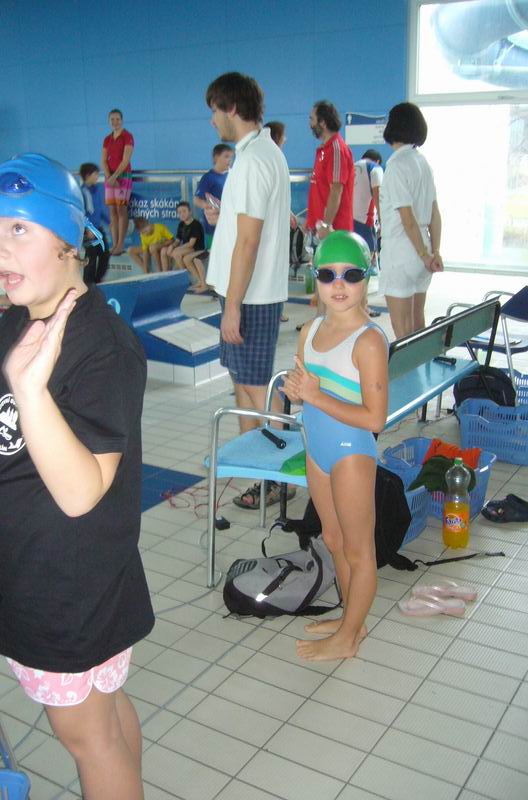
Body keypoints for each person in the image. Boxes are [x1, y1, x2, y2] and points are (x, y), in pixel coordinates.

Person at [0, 153, 154, 799]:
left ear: (69, 240)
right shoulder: (16, 319)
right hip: (46, 574)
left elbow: (81, 490)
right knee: (104, 721)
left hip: (65, 586)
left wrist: (30, 391)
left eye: (18, 228)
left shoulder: (103, 345)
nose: (0, 246)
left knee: (88, 738)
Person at [283, 231, 388, 661]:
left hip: (350, 452)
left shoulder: (369, 340)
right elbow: (304, 393)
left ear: (368, 276)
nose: (339, 284)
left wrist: (314, 395)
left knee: (359, 550)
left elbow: (374, 419)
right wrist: (297, 393)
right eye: (327, 275)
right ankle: (351, 621)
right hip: (317, 447)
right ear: (315, 278)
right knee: (332, 537)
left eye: (351, 274)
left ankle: (348, 638)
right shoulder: (309, 331)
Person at [204, 72, 293, 510]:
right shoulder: (257, 153)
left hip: (251, 297)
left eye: (214, 110)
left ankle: (278, 478)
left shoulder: (256, 158)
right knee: (243, 385)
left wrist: (233, 305)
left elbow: (250, 240)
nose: (212, 120)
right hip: (248, 293)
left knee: (257, 390)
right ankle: (261, 474)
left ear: (232, 109)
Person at [379, 102, 443, 339]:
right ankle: (423, 364)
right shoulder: (422, 163)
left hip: (402, 253)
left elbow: (407, 219)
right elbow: (435, 213)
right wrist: (434, 252)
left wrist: (424, 255)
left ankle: (409, 367)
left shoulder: (396, 165)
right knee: (418, 326)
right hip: (422, 249)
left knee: (403, 332)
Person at [306, 100, 354, 239]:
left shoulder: (336, 149)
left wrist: (327, 225)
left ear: (322, 122)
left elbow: (336, 190)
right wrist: (310, 222)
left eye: (312, 119)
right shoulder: (323, 150)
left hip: (334, 232)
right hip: (320, 231)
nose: (310, 125)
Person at [353, 149, 384, 318]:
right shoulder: (375, 168)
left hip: (347, 222)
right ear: (377, 160)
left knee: (351, 265)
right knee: (363, 267)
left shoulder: (352, 166)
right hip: (364, 222)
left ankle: (352, 305)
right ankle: (362, 306)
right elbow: (378, 195)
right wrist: (383, 222)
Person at [101, 108, 134, 256]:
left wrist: (115, 177)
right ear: (109, 121)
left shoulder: (127, 136)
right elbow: (103, 160)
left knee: (121, 210)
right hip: (110, 178)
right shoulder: (107, 139)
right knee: (112, 211)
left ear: (122, 120)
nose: (115, 122)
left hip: (123, 177)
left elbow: (126, 159)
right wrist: (109, 177)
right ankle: (114, 244)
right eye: (112, 119)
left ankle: (121, 244)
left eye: (117, 119)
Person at [193, 144, 233, 249]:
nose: (229, 160)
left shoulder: (232, 175)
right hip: (213, 227)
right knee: (215, 253)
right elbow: (196, 200)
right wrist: (209, 206)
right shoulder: (208, 178)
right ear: (216, 158)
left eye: (231, 157)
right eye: (226, 156)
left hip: (229, 224)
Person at [160, 201, 206, 288]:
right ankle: (191, 279)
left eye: (184, 211)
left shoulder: (196, 224)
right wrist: (172, 246)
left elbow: (191, 244)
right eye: (179, 212)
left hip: (197, 248)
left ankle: (184, 278)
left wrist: (177, 249)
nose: (182, 214)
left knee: (176, 253)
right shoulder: (181, 224)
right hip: (187, 249)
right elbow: (178, 240)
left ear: (190, 212)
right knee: (173, 252)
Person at [79, 162, 110, 284]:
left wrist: (109, 222)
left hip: (98, 227)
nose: (97, 176)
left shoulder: (97, 190)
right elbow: (80, 212)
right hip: (88, 229)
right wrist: (87, 229)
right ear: (87, 175)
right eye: (95, 174)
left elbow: (100, 209)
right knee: (91, 256)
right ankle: (88, 283)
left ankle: (98, 280)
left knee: (105, 254)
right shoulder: (81, 192)